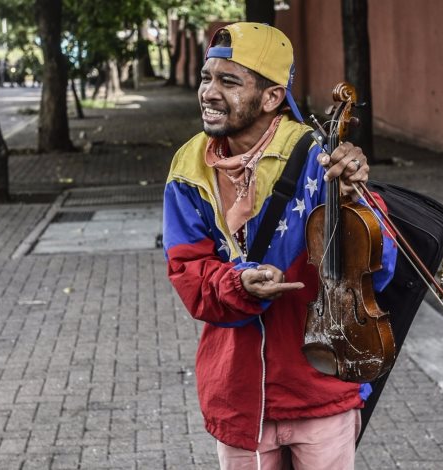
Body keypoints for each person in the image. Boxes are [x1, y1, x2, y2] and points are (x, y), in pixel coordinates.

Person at [162, 23, 397, 470]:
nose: (209, 92)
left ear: (271, 97)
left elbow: (378, 268)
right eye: (206, 78)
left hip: (321, 387)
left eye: (229, 81)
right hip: (239, 393)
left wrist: (356, 200)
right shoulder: (188, 170)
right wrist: (238, 284)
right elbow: (188, 274)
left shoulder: (319, 157)